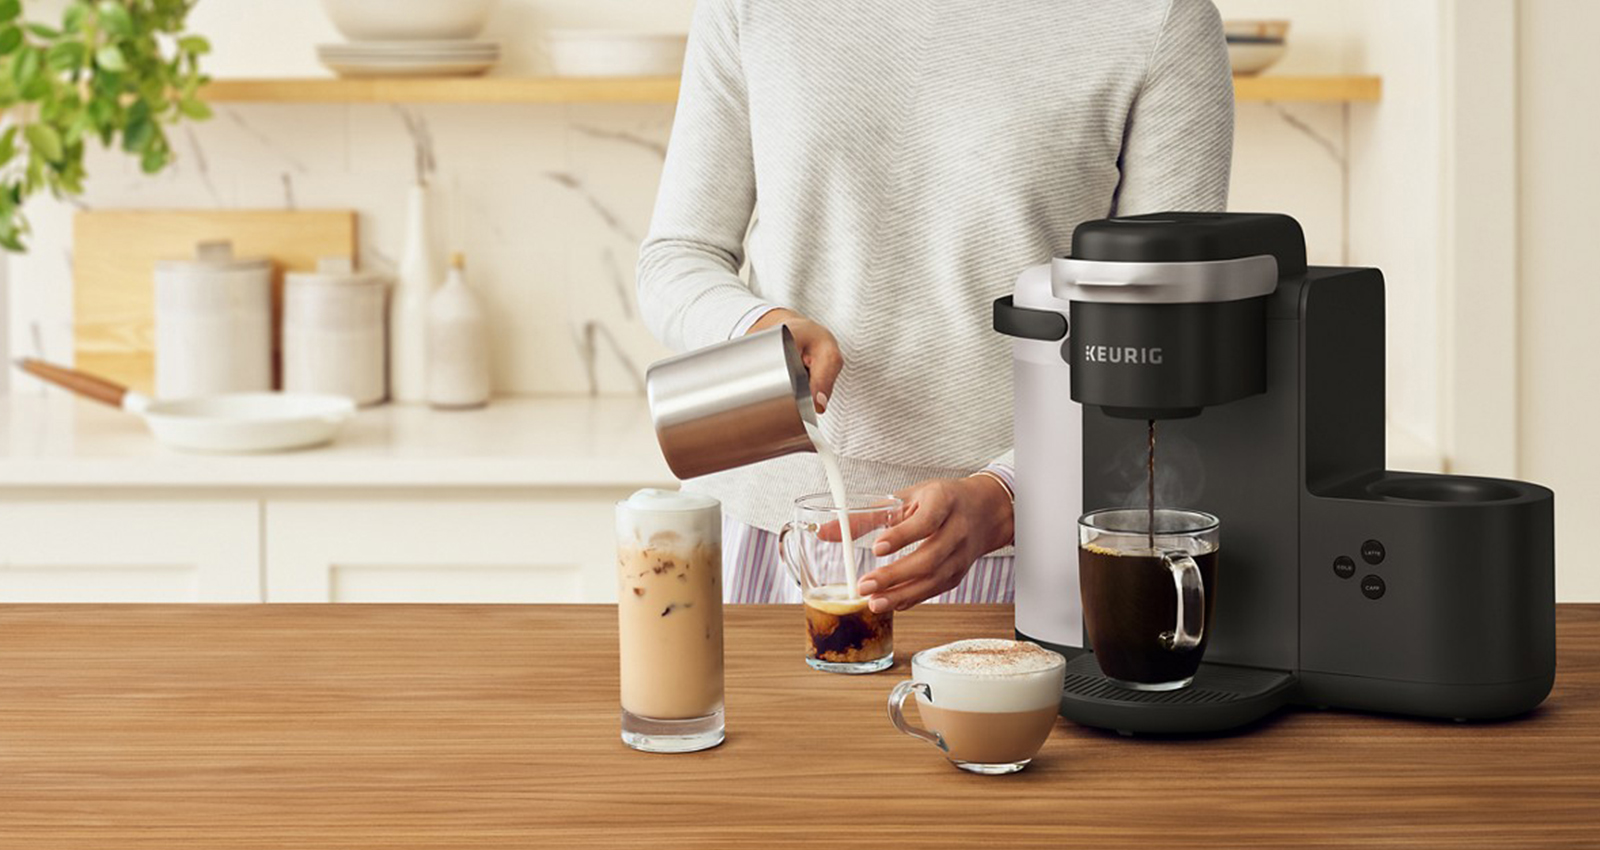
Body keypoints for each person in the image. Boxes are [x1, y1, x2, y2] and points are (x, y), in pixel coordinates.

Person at [637, 0, 1234, 611]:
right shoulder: (748, 9)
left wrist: (1008, 496)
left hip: (1018, 552)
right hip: (769, 535)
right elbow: (678, 257)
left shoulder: (1159, 19)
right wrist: (762, 329)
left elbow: (1165, 338)